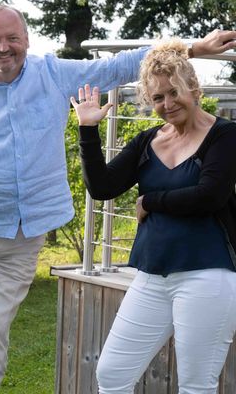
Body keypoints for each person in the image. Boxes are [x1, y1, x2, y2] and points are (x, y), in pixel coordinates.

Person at [0, 3, 236, 394]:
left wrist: (191, 48)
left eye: (13, 38)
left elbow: (120, 66)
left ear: (27, 39)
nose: (4, 47)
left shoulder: (52, 74)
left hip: (25, 233)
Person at [72, 40, 236, 393]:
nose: (167, 104)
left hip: (207, 273)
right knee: (112, 374)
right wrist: (87, 131)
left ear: (194, 87)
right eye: (157, 98)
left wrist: (150, 201)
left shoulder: (225, 135)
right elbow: (102, 187)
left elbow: (210, 195)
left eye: (173, 92)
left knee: (196, 385)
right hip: (151, 274)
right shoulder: (148, 141)